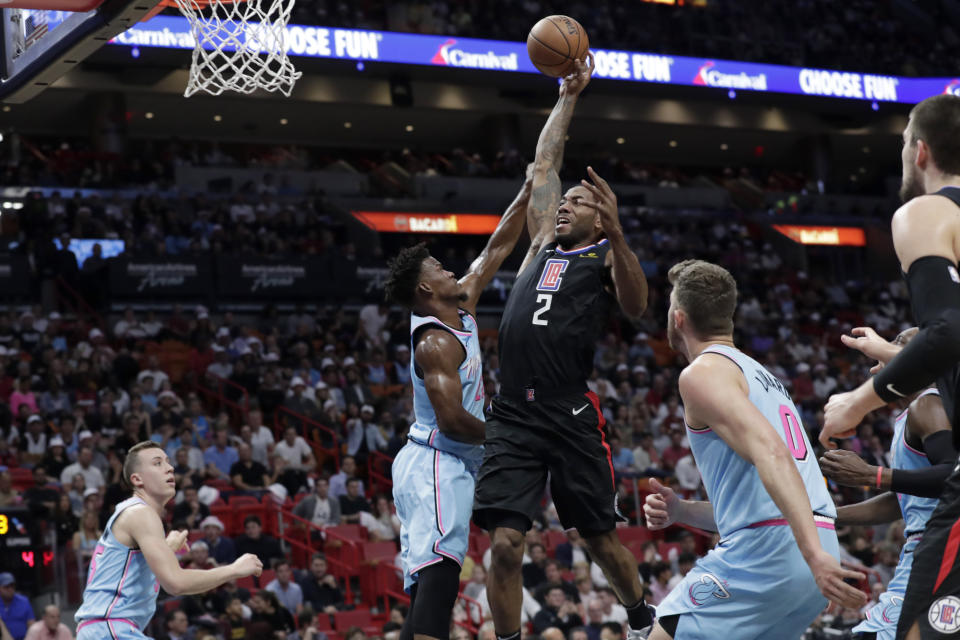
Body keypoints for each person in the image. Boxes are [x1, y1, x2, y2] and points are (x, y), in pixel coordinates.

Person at [472, 54, 654, 640]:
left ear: (602, 221)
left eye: (583, 200)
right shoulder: (541, 245)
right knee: (504, 545)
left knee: (600, 539)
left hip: (569, 409)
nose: (569, 202)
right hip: (514, 413)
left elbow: (637, 306)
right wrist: (568, 94)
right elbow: (543, 164)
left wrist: (621, 237)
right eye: (569, 199)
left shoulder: (605, 256)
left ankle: (641, 620)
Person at [642, 260, 866, 640]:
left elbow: (773, 455)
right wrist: (680, 510)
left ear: (678, 319)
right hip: (811, 541)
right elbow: (761, 503)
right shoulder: (763, 376)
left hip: (774, 552)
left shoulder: (702, 373)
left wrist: (812, 556)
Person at [816, 94, 960, 640]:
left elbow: (948, 332)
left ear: (920, 152)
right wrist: (889, 353)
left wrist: (859, 399)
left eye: (902, 143)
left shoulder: (928, 211)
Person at [383, 144, 534, 640]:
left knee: (437, 578)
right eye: (437, 270)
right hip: (434, 459)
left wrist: (530, 187)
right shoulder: (433, 342)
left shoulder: (461, 302)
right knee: (442, 573)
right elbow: (451, 421)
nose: (449, 269)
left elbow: (496, 246)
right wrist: (508, 436)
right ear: (425, 291)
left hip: (454, 460)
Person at [818, 327, 956, 640]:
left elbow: (953, 476)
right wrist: (828, 514)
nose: (880, 353)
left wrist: (872, 475)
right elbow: (902, 499)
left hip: (938, 547)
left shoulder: (928, 405)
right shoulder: (910, 416)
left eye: (897, 344)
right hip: (928, 546)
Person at [74, 441, 262, 639]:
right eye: (157, 463)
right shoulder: (140, 513)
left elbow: (131, 567)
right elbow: (175, 583)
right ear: (137, 479)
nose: (170, 467)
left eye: (168, 462)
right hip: (109, 628)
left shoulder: (133, 513)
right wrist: (234, 570)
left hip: (103, 629)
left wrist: (167, 547)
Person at [0, 573, 34, 640]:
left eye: (12, 586)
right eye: (6, 586)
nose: (10, 589)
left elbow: (32, 626)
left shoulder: (24, 601)